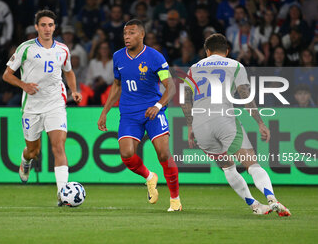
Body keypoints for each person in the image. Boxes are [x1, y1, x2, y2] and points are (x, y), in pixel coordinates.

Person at [181, 33, 291, 216]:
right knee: (252, 164)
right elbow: (245, 95)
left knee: (228, 167)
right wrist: (260, 123)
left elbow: (185, 98)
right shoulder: (235, 65)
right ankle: (271, 199)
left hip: (201, 125)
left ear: (207, 51)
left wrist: (191, 126)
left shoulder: (194, 67)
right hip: (223, 119)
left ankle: (255, 206)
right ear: (227, 50)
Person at [97, 19, 182, 212]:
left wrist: (158, 105)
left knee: (163, 153)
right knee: (126, 154)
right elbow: (117, 86)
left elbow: (171, 87)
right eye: (125, 33)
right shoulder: (118, 57)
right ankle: (150, 177)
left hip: (153, 112)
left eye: (132, 33)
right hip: (128, 113)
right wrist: (105, 112)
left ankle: (175, 200)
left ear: (142, 35)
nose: (127, 36)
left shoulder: (155, 57)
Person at [2, 10, 82, 206]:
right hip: (32, 107)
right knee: (33, 150)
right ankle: (25, 159)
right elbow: (7, 75)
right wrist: (24, 85)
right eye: (43, 25)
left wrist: (74, 90)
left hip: (55, 103)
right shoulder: (25, 48)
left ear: (55, 27)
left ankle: (62, 195)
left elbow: (69, 72)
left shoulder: (62, 49)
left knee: (58, 147)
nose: (47, 29)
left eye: (51, 25)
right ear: (37, 27)